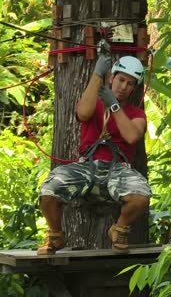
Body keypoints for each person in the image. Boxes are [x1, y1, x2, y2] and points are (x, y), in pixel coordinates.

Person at [37, 54, 152, 255]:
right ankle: (55, 236)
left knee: (141, 197)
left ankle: (119, 230)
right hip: (87, 165)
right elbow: (82, 113)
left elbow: (132, 136)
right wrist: (98, 73)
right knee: (48, 191)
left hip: (118, 169)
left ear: (134, 88)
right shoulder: (95, 105)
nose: (124, 87)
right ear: (112, 78)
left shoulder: (136, 114)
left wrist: (115, 106)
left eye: (130, 83)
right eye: (121, 80)